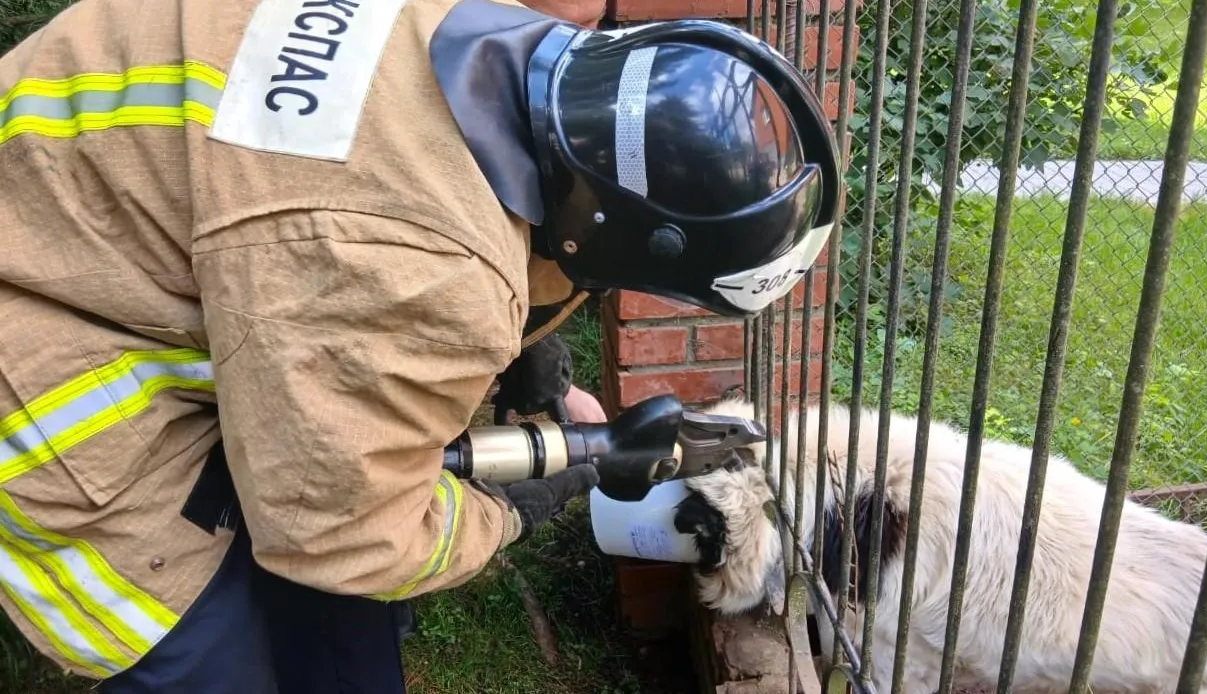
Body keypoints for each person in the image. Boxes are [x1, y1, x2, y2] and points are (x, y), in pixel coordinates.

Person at [0, 0, 842, 691]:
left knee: (333, 593)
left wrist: (528, 360)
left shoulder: (492, 40)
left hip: (84, 196)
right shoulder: (422, 271)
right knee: (220, 646)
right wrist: (519, 504)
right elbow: (340, 532)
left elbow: (396, 215)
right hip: (48, 361)